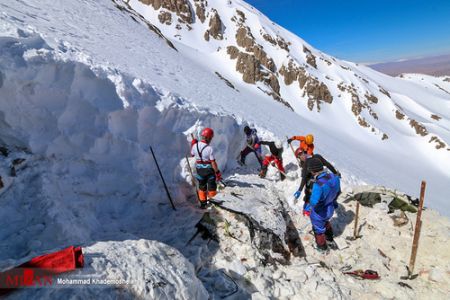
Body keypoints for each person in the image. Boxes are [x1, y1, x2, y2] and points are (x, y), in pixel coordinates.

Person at [306, 158, 341, 252]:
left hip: (320, 212)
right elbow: (338, 191)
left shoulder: (318, 185)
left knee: (318, 229)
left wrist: (308, 206)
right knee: (325, 221)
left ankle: (322, 247)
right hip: (330, 207)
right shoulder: (334, 177)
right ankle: (329, 238)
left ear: (313, 171)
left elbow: (314, 201)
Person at [294, 151, 340, 216]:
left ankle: (308, 210)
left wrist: (299, 190)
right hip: (322, 178)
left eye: (303, 154)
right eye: (300, 155)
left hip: (314, 181)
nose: (302, 156)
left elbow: (304, 178)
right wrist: (335, 173)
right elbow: (328, 164)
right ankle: (331, 202)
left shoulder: (306, 164)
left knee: (311, 194)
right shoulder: (317, 157)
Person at [191, 128, 222, 208]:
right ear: (208, 137)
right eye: (211, 138)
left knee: (202, 186)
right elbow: (213, 162)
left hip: (199, 170)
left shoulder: (195, 146)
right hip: (208, 171)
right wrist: (217, 172)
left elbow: (192, 155)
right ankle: (213, 203)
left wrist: (193, 144)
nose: (211, 139)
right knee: (212, 187)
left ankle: (203, 204)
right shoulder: (209, 148)